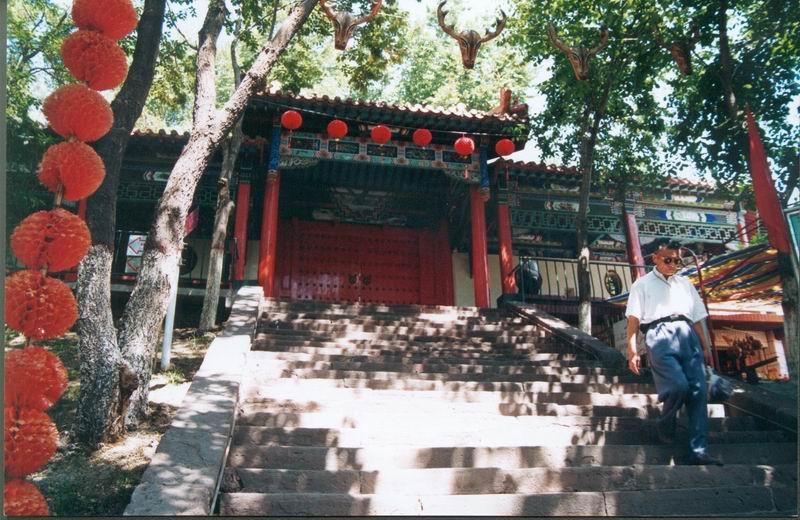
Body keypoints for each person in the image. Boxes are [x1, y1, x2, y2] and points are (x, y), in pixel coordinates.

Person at [625, 239, 722, 465]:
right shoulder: (642, 284)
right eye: (668, 260)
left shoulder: (685, 284)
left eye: (677, 261)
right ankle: (665, 425)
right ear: (655, 259)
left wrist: (705, 346)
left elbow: (697, 318)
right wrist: (632, 350)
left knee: (698, 392)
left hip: (687, 333)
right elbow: (633, 319)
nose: (672, 264)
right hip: (658, 334)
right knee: (678, 386)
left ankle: (698, 450)